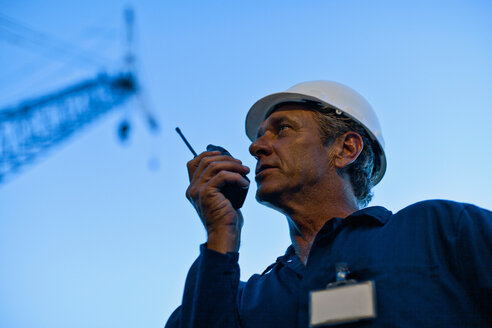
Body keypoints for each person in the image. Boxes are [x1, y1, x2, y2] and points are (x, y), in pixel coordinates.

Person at [165, 81, 492, 327]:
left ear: (346, 149)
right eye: (259, 136)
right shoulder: (238, 299)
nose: (256, 148)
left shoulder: (440, 230)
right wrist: (222, 233)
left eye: (282, 130)